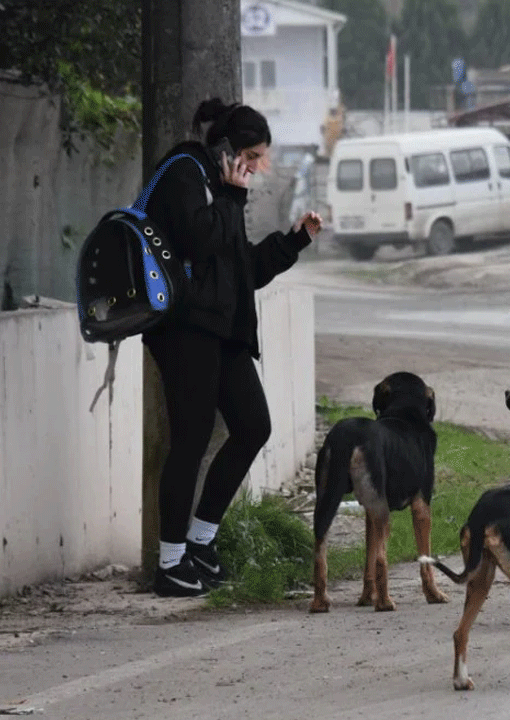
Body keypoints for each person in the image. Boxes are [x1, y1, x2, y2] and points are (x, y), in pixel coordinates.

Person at [143, 97, 323, 597]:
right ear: (228, 150)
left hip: (221, 333)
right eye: (254, 156)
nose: (259, 168)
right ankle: (171, 562)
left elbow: (240, 269)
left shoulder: (221, 191)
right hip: (184, 330)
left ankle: (201, 542)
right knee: (190, 441)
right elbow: (198, 243)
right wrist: (232, 197)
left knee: (253, 426)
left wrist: (294, 241)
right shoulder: (185, 173)